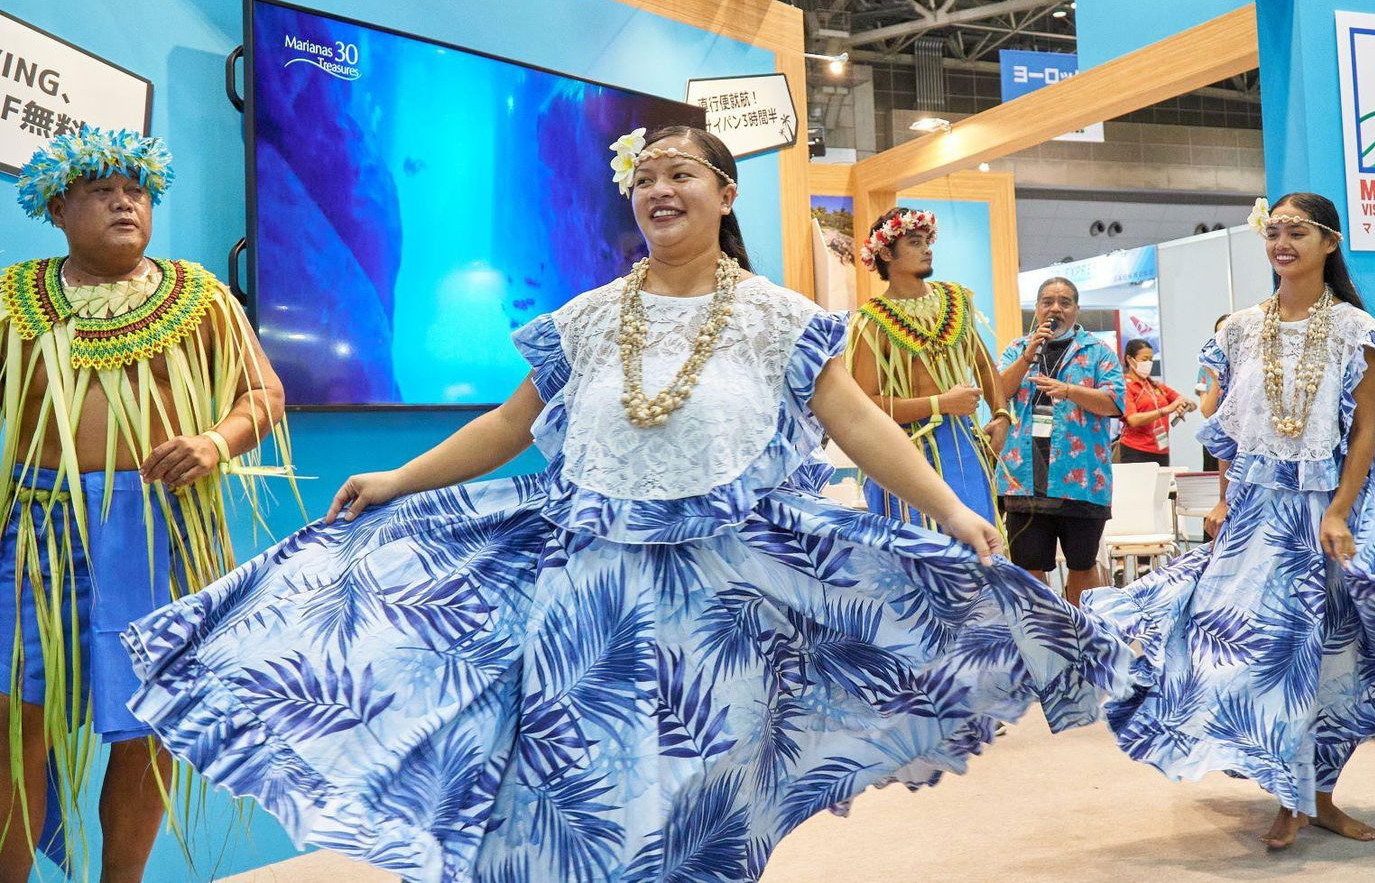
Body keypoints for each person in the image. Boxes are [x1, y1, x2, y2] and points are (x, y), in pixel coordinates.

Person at [121, 126, 1131, 882]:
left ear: (723, 192)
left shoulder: (783, 315)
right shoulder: (588, 317)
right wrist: (399, 478)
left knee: (705, 794)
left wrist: (948, 508)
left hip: (726, 597)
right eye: (643, 177)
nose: (658, 187)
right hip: (587, 589)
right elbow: (510, 427)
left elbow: (860, 424)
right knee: (575, 791)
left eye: (679, 172)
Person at [1082, 193, 1375, 851]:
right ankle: (1287, 792)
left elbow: (1365, 433)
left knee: (1337, 661)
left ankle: (1321, 797)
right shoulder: (1240, 330)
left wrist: (1338, 511)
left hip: (1337, 513)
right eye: (1272, 230)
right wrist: (1224, 499)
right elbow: (1232, 432)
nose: (1281, 241)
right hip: (1259, 513)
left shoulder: (1356, 331)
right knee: (1257, 654)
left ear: (1329, 242)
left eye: (1296, 231)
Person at [0, 126, 291, 881]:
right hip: (37, 532)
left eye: (137, 192)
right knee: (12, 721)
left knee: (149, 726)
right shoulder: (11, 299)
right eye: (103, 192)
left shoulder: (200, 298)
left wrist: (216, 443)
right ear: (58, 209)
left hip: (161, 528)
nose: (125, 204)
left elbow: (262, 394)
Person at [847, 207, 1005, 531]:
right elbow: (865, 405)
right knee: (921, 553)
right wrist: (939, 404)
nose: (927, 249)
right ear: (887, 252)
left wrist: (1002, 416)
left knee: (976, 550)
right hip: (903, 455)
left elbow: (984, 364)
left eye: (927, 241)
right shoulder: (871, 321)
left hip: (962, 447)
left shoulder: (957, 300)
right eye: (915, 242)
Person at [992, 278, 1124, 604]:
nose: (1055, 308)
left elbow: (1115, 403)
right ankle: (1040, 640)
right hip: (1024, 478)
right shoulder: (1016, 350)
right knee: (1027, 568)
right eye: (1047, 301)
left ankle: (1083, 637)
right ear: (1037, 309)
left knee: (1082, 565)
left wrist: (1069, 391)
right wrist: (1027, 356)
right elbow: (997, 392)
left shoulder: (1097, 352)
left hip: (1080, 478)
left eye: (1064, 302)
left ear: (1076, 310)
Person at [1117, 338, 1195, 467]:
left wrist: (1184, 405)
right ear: (1130, 359)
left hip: (1161, 449)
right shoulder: (1125, 385)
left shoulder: (1155, 386)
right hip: (1136, 451)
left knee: (1163, 486)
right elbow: (1133, 420)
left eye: (1151, 359)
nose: (1148, 363)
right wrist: (1166, 409)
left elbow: (1191, 405)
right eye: (1144, 359)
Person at [1197, 313, 1230, 473]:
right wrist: (1217, 381)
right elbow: (1207, 411)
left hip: (1242, 440)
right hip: (1216, 437)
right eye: (1219, 334)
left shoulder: (1250, 367)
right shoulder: (1206, 369)